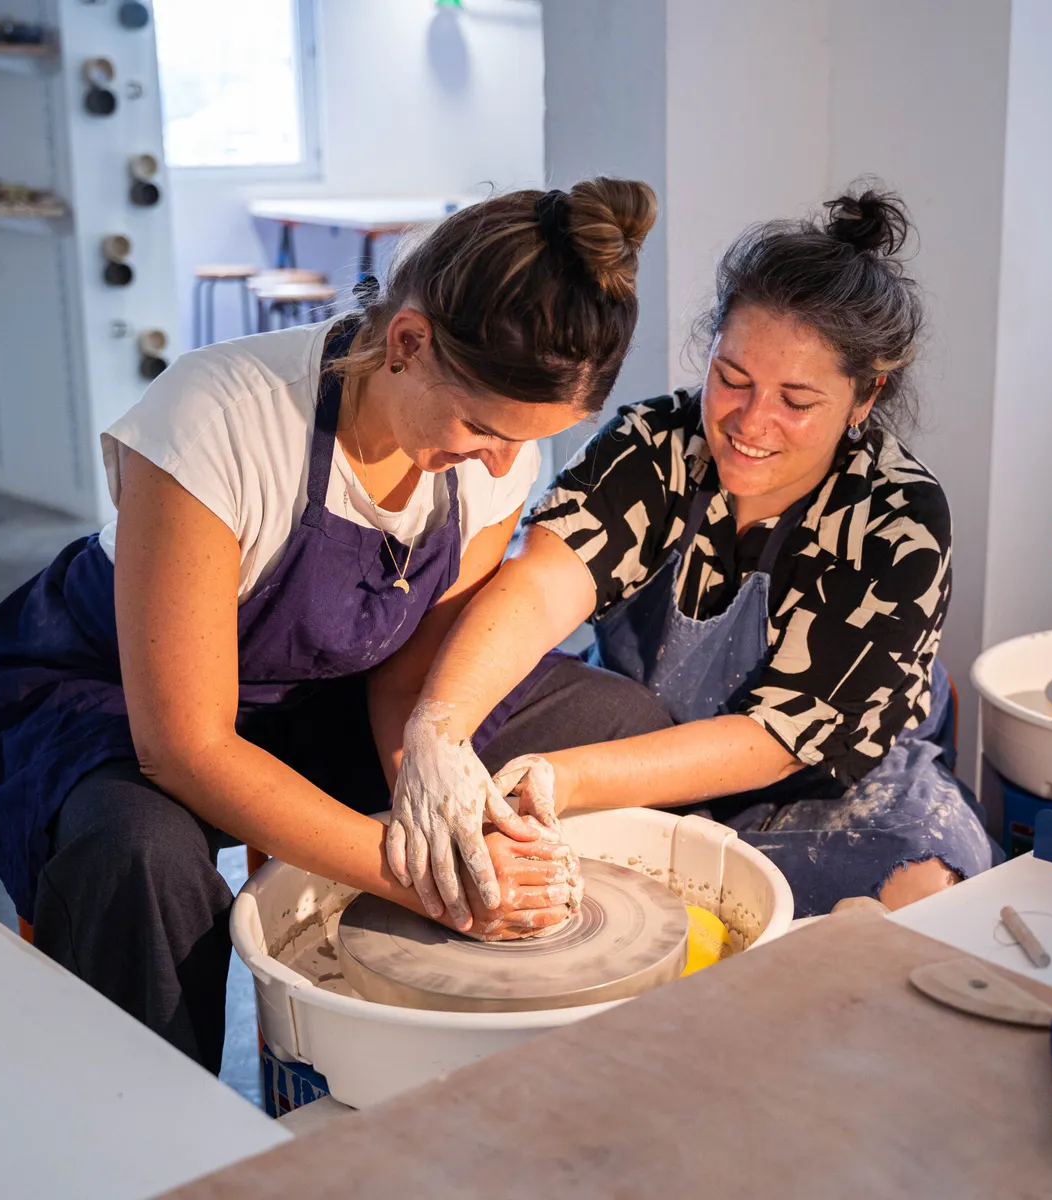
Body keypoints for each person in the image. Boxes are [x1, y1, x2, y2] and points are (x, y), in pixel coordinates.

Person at [0, 179, 659, 1069]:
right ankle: (159, 1124)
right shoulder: (221, 416)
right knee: (139, 857)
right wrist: (423, 880)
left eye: (526, 439)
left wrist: (436, 788)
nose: (504, 464)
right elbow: (187, 749)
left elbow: (410, 678)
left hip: (325, 691)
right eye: (481, 427)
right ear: (407, 342)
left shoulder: (494, 456)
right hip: (113, 704)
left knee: (612, 721)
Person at [387, 184, 1000, 920]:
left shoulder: (896, 517)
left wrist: (564, 778)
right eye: (731, 379)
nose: (751, 422)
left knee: (920, 888)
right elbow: (542, 583)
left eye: (796, 402)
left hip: (830, 785)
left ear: (864, 398)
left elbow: (777, 740)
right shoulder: (654, 444)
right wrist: (439, 728)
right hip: (643, 739)